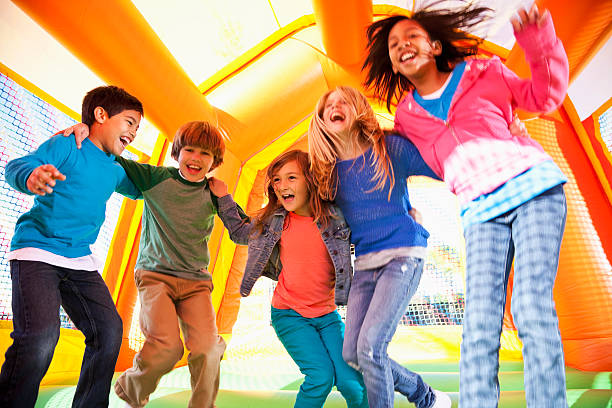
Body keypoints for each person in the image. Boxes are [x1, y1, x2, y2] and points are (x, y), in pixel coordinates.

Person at [362, 3, 569, 407]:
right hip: (480, 211)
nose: (403, 46)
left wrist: (538, 43)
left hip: (533, 189)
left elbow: (543, 97)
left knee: (529, 306)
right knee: (478, 325)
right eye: (393, 44)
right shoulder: (407, 117)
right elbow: (432, 163)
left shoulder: (484, 73)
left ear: (435, 45)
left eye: (412, 37)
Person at [62, 120, 247, 408]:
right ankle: (132, 388)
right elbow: (113, 156)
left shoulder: (214, 192)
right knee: (167, 347)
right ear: (177, 152)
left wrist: (224, 198)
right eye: (190, 150)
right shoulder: (155, 178)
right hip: (155, 277)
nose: (196, 159)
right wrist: (87, 133)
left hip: (196, 284)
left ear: (215, 161)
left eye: (205, 154)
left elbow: (241, 232)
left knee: (208, 350)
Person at [0, 85, 143, 408]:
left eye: (138, 126)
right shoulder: (69, 144)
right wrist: (33, 175)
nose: (134, 132)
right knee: (40, 338)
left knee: (108, 332)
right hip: (37, 252)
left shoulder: (115, 169)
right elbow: (18, 166)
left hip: (79, 261)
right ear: (101, 115)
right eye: (130, 122)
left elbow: (145, 187)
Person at [308, 85, 450, 408]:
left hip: (403, 253)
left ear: (358, 108)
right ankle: (425, 397)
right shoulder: (327, 175)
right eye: (328, 104)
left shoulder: (388, 149)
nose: (336, 106)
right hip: (366, 265)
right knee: (353, 354)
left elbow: (442, 166)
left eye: (344, 101)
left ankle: (422, 398)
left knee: (371, 347)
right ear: (321, 122)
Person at [209, 149, 369, 408]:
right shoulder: (275, 221)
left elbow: (369, 231)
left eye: (291, 177)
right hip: (289, 314)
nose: (283, 185)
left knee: (352, 381)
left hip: (327, 316)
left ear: (310, 180)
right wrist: (223, 197)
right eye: (276, 180)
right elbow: (240, 232)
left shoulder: (335, 219)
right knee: (320, 377)